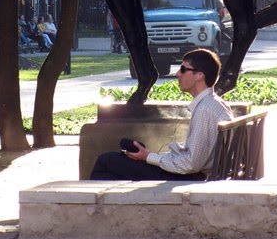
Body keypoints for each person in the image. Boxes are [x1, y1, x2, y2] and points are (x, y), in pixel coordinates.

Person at [89, 48, 232, 180]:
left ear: (199, 76)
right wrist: (152, 156)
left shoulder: (204, 110)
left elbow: (191, 164)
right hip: (199, 174)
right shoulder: (215, 103)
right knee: (117, 164)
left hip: (192, 178)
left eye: (183, 69)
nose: (177, 74)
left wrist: (149, 157)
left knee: (106, 162)